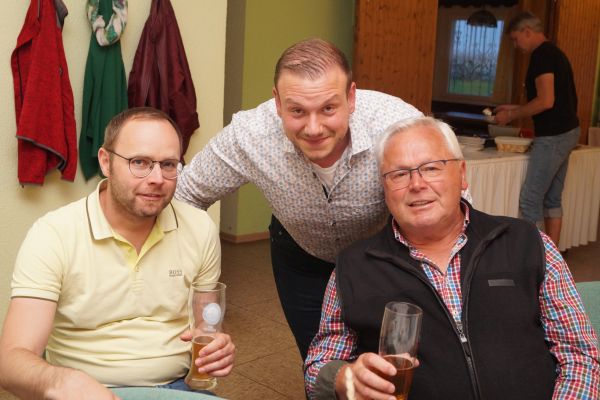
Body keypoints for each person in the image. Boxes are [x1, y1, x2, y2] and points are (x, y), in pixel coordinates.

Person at [304, 117, 600, 400]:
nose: (416, 184)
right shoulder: (354, 267)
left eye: (431, 168)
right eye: (399, 174)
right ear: (384, 188)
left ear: (462, 174)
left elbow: (580, 355)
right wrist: (343, 380)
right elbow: (318, 367)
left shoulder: (528, 243)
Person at [175, 38, 422, 360]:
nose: (314, 128)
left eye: (328, 108)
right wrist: (191, 286)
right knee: (319, 360)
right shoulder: (250, 135)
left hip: (384, 255)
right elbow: (186, 195)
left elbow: (451, 202)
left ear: (351, 97)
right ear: (277, 103)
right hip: (302, 256)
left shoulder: (399, 123)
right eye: (297, 111)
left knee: (389, 358)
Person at [0, 108, 235, 399]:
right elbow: (11, 361)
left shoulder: (199, 228)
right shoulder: (53, 234)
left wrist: (215, 343)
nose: (157, 178)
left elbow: (206, 323)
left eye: (168, 164)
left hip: (176, 385)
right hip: (84, 389)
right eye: (139, 162)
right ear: (105, 162)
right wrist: (61, 382)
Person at [494, 11, 580, 247]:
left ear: (527, 31)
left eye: (515, 39)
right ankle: (553, 259)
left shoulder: (541, 56)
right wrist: (514, 107)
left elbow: (546, 101)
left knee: (530, 200)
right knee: (552, 199)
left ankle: (537, 258)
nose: (515, 45)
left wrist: (511, 115)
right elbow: (552, 100)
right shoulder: (555, 53)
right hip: (567, 131)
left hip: (553, 135)